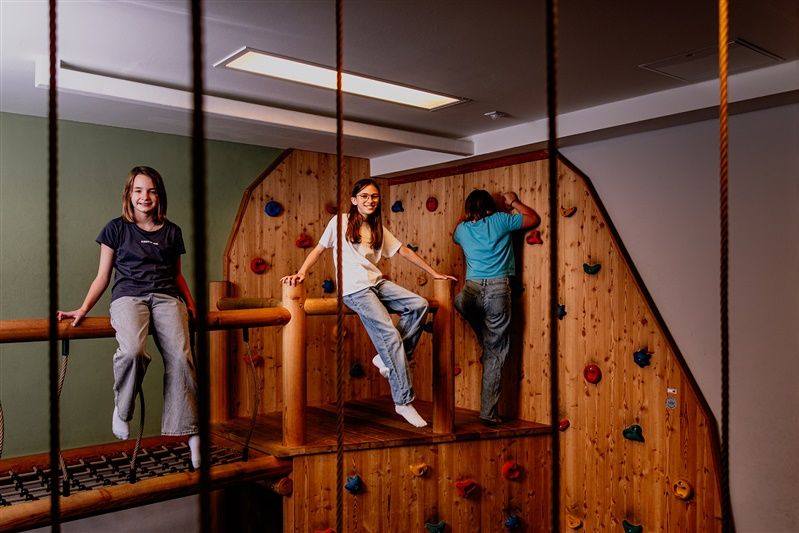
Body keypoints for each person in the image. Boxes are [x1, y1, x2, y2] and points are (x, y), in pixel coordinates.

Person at [282, 178, 455, 428]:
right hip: (355, 289)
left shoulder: (377, 228)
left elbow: (404, 251)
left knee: (418, 304)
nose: (369, 200)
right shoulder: (340, 221)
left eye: (373, 197)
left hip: (376, 283)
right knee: (390, 338)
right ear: (354, 200)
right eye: (364, 196)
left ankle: (386, 360)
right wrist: (301, 272)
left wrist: (433, 273)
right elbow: (319, 249)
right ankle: (403, 401)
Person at [57, 166, 200, 467]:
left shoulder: (172, 231)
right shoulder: (116, 229)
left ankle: (189, 432)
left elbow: (177, 275)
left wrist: (190, 303)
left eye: (150, 190)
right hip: (128, 296)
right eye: (138, 190)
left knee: (181, 356)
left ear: (159, 196)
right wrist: (82, 309)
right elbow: (102, 277)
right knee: (134, 351)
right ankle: (122, 409)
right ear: (129, 194)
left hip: (166, 298)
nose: (144, 196)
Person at [453, 189, 540, 425]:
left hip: (470, 291)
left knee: (459, 302)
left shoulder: (462, 230)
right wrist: (514, 202)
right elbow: (533, 218)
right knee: (494, 353)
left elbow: (455, 233)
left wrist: (468, 216)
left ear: (469, 208)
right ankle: (488, 414)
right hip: (498, 291)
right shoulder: (501, 220)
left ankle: (487, 341)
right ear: (492, 205)